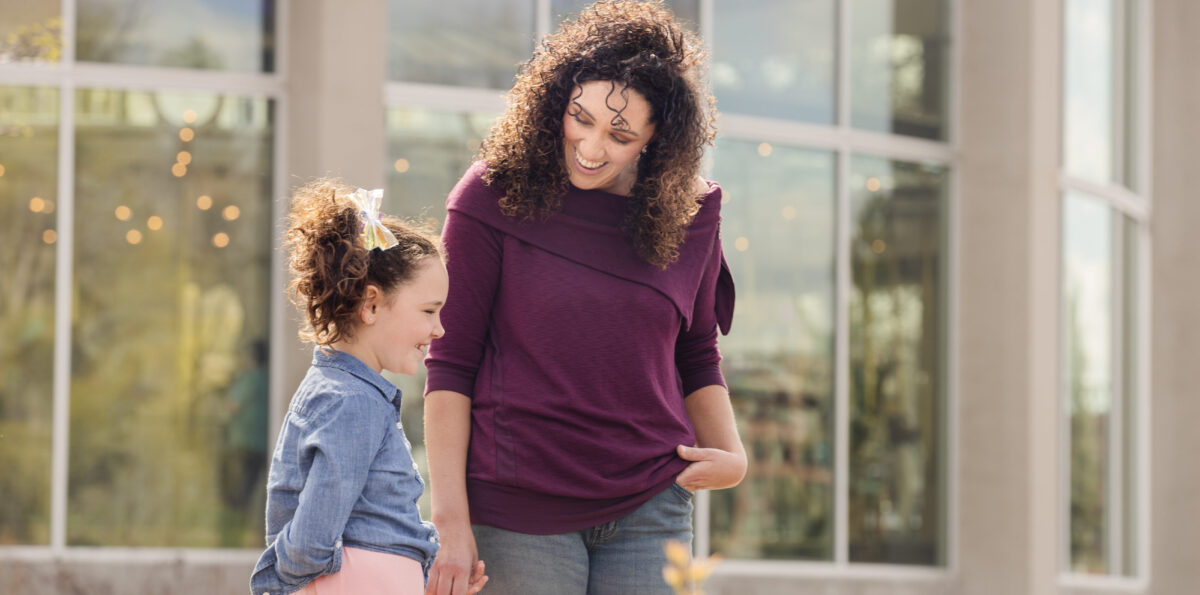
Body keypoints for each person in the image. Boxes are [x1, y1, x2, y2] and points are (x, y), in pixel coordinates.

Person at [423, 2, 746, 594]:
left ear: (657, 139)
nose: (592, 147)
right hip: (519, 510)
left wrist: (732, 454)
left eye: (620, 134)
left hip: (651, 507)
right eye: (581, 119)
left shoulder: (691, 215)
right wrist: (451, 526)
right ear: (555, 105)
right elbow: (450, 365)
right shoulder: (492, 196)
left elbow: (696, 351)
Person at [250, 183, 486, 595]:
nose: (439, 328)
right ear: (372, 304)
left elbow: (364, 520)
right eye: (429, 311)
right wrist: (276, 584)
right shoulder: (351, 402)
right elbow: (311, 538)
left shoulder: (347, 393)